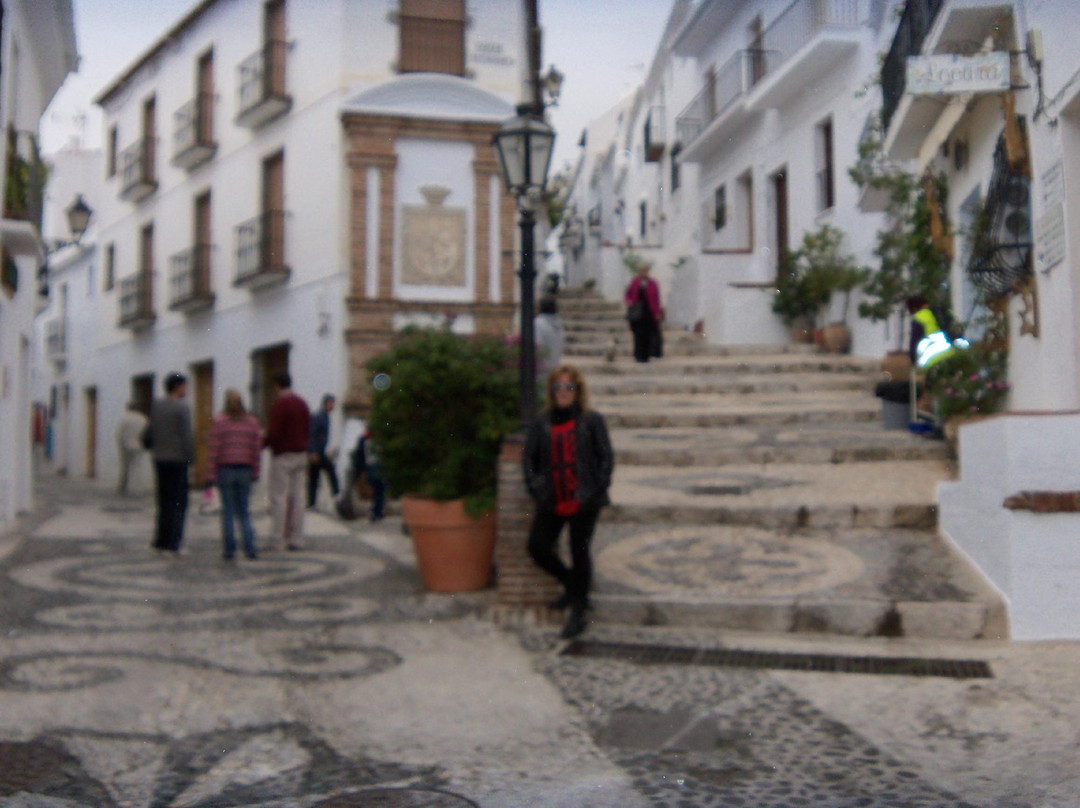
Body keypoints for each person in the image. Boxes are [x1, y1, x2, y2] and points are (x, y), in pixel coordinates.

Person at [525, 364, 614, 639]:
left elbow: (606, 458)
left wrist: (594, 488)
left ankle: (577, 613)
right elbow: (530, 462)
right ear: (552, 391)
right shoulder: (541, 424)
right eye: (558, 387)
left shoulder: (592, 420)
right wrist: (541, 492)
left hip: (584, 501)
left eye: (569, 387)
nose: (563, 392)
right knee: (537, 547)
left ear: (578, 391)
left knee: (579, 552)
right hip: (553, 500)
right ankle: (574, 586)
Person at [206, 389, 262, 561]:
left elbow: (214, 449)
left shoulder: (220, 422)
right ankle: (250, 548)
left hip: (225, 470)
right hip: (245, 469)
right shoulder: (252, 422)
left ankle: (229, 550)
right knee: (244, 511)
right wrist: (256, 470)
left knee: (228, 511)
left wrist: (210, 473)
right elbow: (256, 450)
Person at [145, 373, 194, 555]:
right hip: (177, 460)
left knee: (163, 501)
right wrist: (191, 459)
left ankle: (160, 540)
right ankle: (174, 543)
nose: (186, 390)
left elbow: (149, 430)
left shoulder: (156, 406)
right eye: (185, 386)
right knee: (178, 503)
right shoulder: (182, 408)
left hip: (159, 459)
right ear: (178, 387)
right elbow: (186, 436)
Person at [264, 372, 311, 551]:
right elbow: (308, 427)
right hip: (300, 454)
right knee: (299, 498)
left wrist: (265, 443)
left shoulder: (280, 405)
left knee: (279, 498)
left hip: (283, 455)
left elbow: (274, 432)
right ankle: (297, 538)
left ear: (277, 385)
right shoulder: (302, 403)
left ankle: (278, 539)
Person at [624, 261, 663, 363]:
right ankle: (638, 355)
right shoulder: (635, 282)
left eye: (646, 270)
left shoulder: (653, 283)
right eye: (642, 270)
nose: (644, 271)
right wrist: (629, 302)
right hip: (637, 312)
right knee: (637, 334)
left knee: (648, 334)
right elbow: (627, 294)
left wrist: (658, 312)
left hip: (649, 312)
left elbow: (657, 298)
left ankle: (646, 356)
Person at [307, 394, 340, 508]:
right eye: (331, 403)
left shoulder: (325, 416)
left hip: (319, 451)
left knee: (314, 477)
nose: (332, 406)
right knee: (329, 469)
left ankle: (311, 502)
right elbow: (313, 434)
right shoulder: (319, 417)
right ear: (325, 403)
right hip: (318, 452)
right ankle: (336, 493)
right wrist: (313, 452)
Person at [115, 401, 148, 495]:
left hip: (126, 445)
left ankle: (123, 486)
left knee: (125, 467)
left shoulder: (124, 418)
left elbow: (119, 434)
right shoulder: (143, 418)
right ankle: (137, 487)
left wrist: (120, 444)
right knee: (137, 466)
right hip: (139, 445)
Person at [534, 295, 565, 383]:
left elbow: (537, 346)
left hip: (540, 370)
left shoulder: (538, 323)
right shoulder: (559, 324)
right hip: (555, 365)